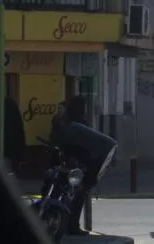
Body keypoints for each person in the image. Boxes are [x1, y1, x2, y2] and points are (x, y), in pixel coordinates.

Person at [50, 95, 92, 237]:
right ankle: (72, 226)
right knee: (78, 195)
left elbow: (55, 139)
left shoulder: (63, 122)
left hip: (61, 162)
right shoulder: (80, 124)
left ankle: (60, 223)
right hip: (74, 165)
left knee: (59, 192)